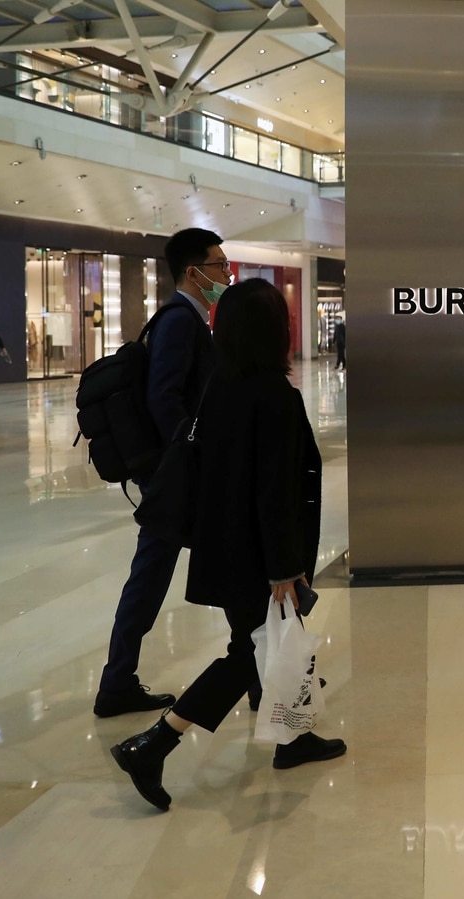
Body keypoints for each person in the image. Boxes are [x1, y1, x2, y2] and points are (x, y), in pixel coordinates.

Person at [111, 278, 343, 811]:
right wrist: (284, 566)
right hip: (261, 555)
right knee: (250, 652)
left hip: (227, 546)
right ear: (274, 332)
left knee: (268, 644)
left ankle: (293, 738)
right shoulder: (273, 397)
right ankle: (153, 743)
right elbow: (274, 493)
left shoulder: (220, 387)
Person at [94, 228, 226, 718]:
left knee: (159, 571)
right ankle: (116, 681)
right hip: (177, 476)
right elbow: (163, 397)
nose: (226, 273)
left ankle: (118, 679)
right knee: (151, 574)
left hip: (177, 472)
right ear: (193, 272)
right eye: (218, 264)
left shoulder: (189, 320)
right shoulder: (179, 321)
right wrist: (187, 453)